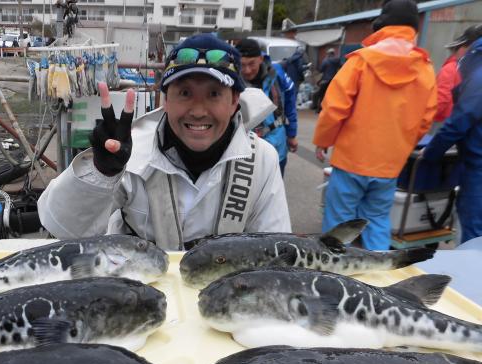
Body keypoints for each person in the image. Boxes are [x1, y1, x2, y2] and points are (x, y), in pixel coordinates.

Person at [37, 33, 291, 250]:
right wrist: (102, 172)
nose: (199, 111)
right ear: (165, 99)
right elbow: (63, 229)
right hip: (137, 293)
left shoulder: (261, 159)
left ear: (235, 101)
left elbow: (275, 250)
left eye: (214, 94)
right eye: (185, 93)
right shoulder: (132, 152)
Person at [313, 0, 437, 251]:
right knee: (378, 221)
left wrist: (323, 141)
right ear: (413, 28)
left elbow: (335, 108)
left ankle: (335, 276)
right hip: (389, 167)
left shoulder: (361, 61)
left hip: (350, 161)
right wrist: (401, 147)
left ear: (381, 26)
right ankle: (378, 277)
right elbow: (425, 119)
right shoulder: (425, 69)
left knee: (340, 223)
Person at [421, 25, 482, 244]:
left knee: (474, 232)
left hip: (478, 167)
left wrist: (431, 153)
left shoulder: (479, 76)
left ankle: (473, 275)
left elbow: (460, 120)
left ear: (470, 47)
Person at [236, 38, 298, 176]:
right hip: (243, 149)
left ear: (260, 58)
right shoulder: (231, 77)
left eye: (251, 64)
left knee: (274, 191)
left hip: (276, 144)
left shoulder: (277, 72)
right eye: (242, 65)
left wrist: (292, 134)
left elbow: (290, 102)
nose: (247, 70)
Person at [435, 25, 479, 122]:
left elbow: (441, 99)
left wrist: (425, 117)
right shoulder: (476, 71)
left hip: (443, 121)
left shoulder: (450, 69)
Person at [314, 47, 341, 112]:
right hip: (334, 80)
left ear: (328, 54)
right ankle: (331, 109)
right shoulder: (337, 60)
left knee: (322, 95)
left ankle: (319, 109)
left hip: (325, 80)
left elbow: (321, 70)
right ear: (334, 53)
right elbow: (341, 67)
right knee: (332, 95)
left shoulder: (326, 60)